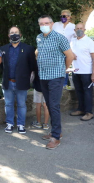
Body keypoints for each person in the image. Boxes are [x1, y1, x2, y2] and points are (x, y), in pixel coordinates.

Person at [36, 15, 74, 149]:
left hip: (56, 77)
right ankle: (55, 131)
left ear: (52, 24)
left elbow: (70, 56)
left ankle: (56, 137)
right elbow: (39, 53)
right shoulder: (39, 38)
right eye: (41, 23)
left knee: (54, 105)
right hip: (43, 76)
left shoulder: (60, 38)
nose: (44, 25)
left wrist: (63, 69)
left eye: (46, 23)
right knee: (49, 104)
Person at [0, 26, 37, 134]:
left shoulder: (28, 49)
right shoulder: (3, 49)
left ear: (20, 35)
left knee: (21, 104)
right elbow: (2, 66)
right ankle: (10, 124)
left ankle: (21, 125)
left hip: (22, 82)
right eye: (12, 32)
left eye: (16, 32)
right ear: (9, 35)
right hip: (8, 82)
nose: (14, 34)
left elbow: (32, 66)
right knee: (8, 104)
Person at [69, 23, 94, 121]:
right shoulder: (72, 41)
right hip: (75, 71)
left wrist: (93, 73)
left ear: (84, 29)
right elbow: (69, 52)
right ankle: (81, 109)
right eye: (77, 28)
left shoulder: (89, 41)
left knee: (87, 92)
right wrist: (72, 54)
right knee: (79, 91)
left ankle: (89, 112)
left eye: (81, 28)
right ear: (74, 30)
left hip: (87, 71)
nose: (79, 30)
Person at [52, 9, 76, 89]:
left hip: (66, 50)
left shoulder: (73, 27)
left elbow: (75, 40)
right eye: (61, 16)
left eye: (64, 16)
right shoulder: (55, 24)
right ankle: (55, 83)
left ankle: (64, 85)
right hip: (55, 50)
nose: (62, 17)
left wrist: (73, 51)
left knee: (64, 67)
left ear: (69, 17)